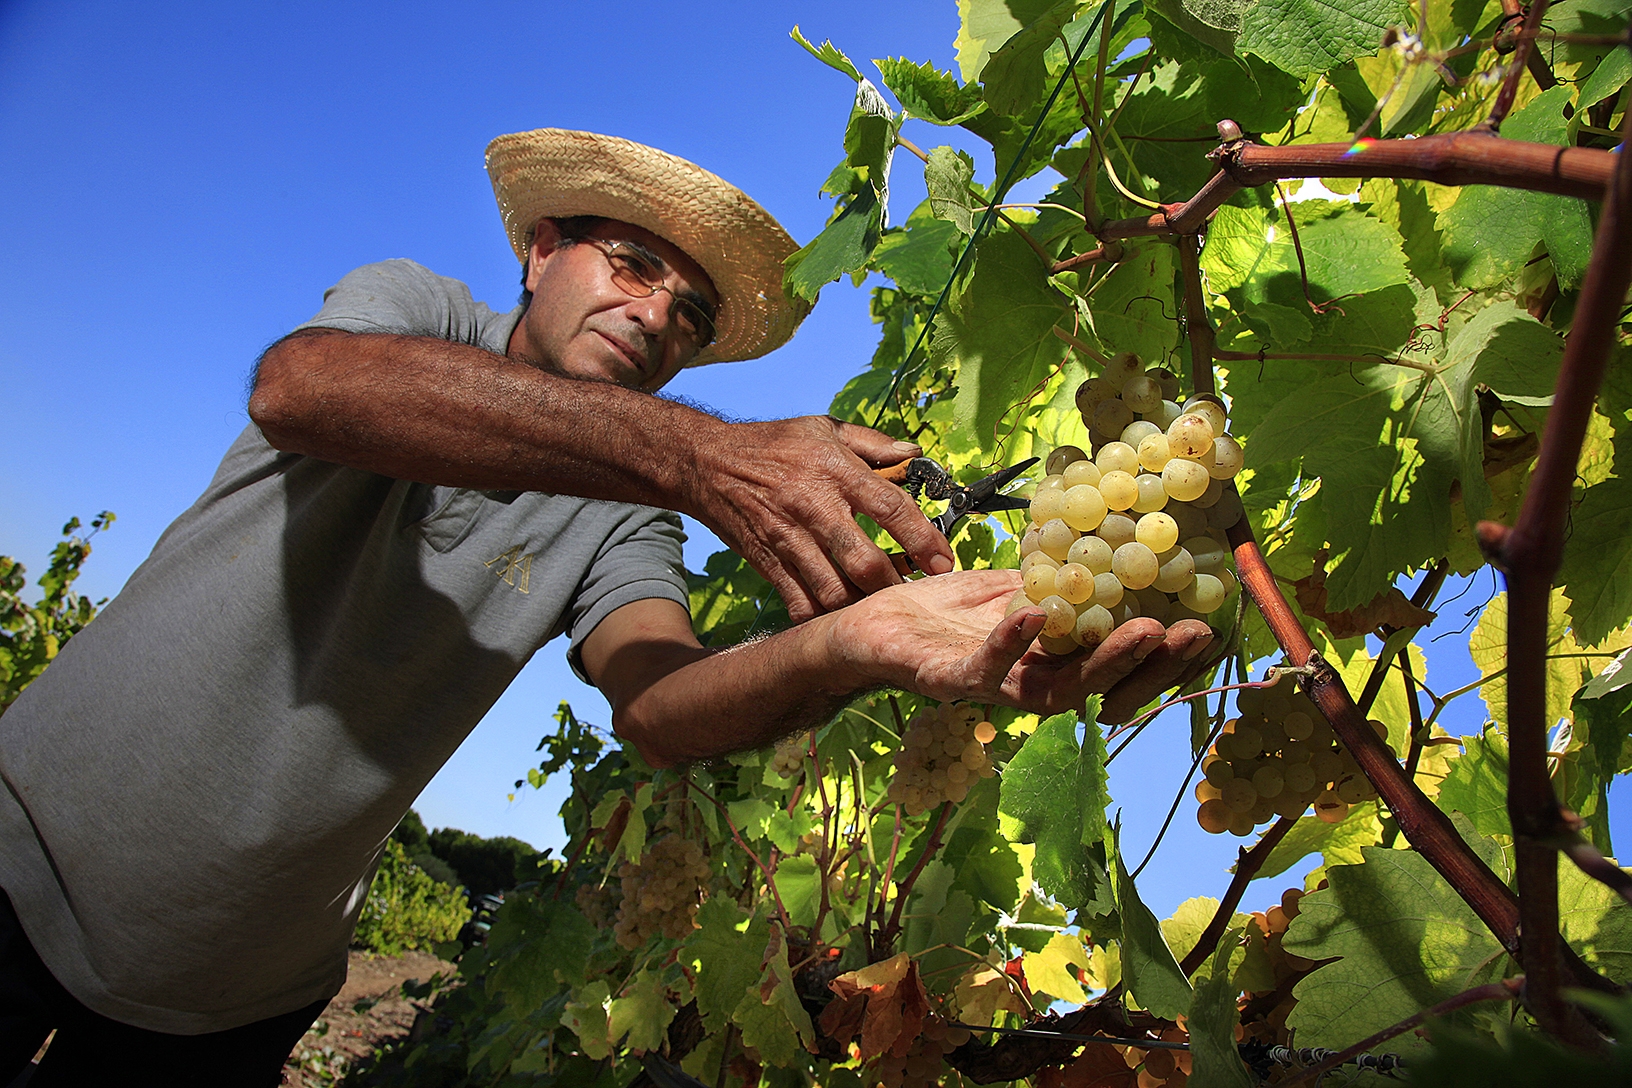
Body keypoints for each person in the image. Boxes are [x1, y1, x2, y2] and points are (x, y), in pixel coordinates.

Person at [0, 129, 1211, 1084]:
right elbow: (302, 389)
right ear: (537, 248)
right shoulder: (417, 311)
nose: (656, 316)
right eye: (634, 266)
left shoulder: (623, 520)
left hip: (234, 995)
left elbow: (662, 705)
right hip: (15, 860)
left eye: (690, 313)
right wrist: (701, 456)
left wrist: (848, 646)